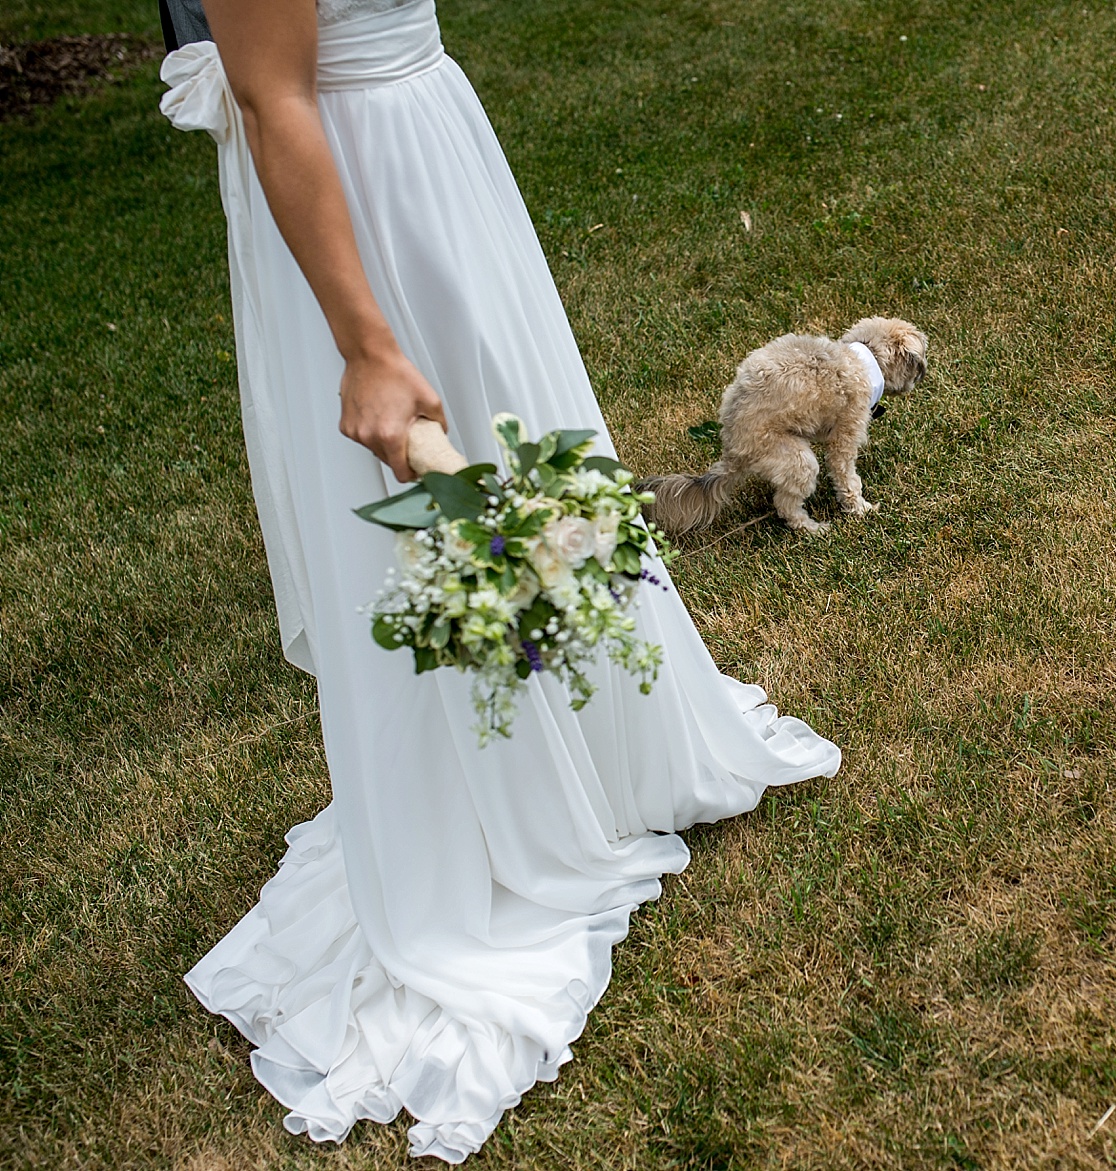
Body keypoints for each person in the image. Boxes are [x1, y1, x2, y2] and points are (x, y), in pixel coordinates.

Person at [159, 0, 840, 1161]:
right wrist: (367, 345)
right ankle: (487, 782)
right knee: (436, 499)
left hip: (429, 144)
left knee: (520, 458)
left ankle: (586, 743)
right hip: (354, 187)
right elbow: (274, 92)